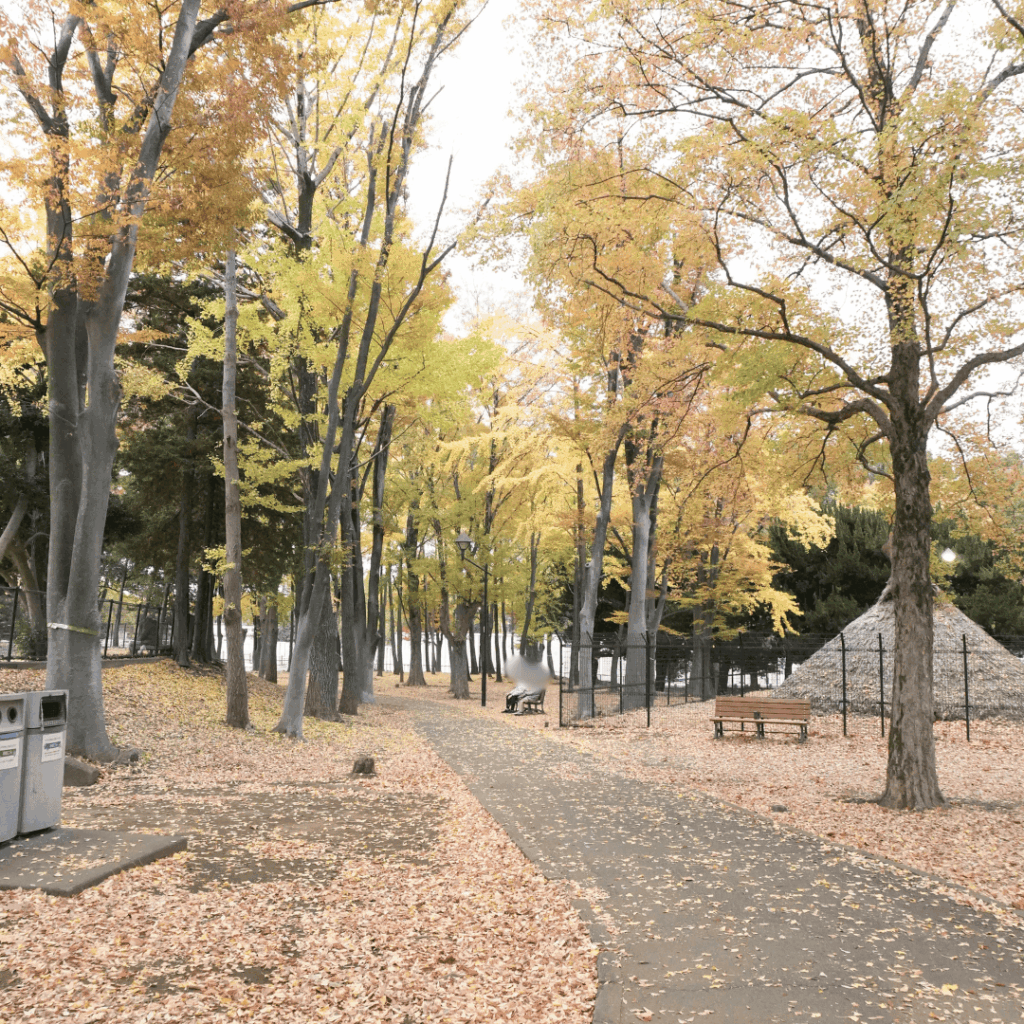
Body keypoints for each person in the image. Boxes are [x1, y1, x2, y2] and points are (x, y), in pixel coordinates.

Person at [502, 647, 552, 714]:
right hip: (531, 696)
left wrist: (525, 694)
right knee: (515, 696)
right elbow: (531, 690)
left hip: (533, 697)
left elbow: (533, 692)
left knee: (519, 698)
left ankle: (520, 711)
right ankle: (513, 709)